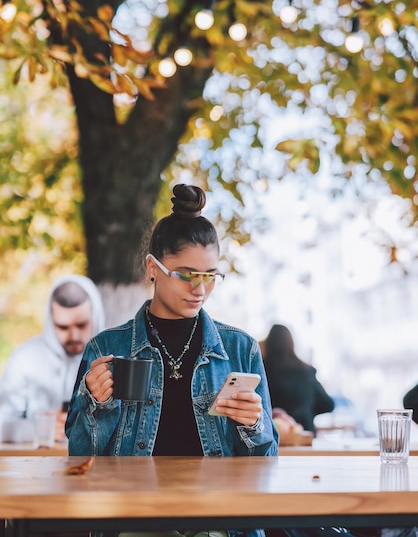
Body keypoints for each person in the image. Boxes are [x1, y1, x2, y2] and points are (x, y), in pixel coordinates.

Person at [66, 183, 278, 537]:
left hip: (219, 521)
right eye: (186, 275)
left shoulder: (240, 349)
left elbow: (265, 467)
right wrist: (97, 405)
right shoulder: (106, 347)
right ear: (152, 268)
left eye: (210, 276)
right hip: (135, 518)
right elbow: (79, 460)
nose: (200, 289)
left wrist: (254, 425)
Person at [0, 274, 105, 441]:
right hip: (36, 464)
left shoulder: (115, 354)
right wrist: (41, 429)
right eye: (63, 327)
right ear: (50, 321)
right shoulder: (24, 358)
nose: (74, 335)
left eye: (81, 325)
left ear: (96, 316)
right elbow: (3, 423)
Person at [262, 324, 334, 434]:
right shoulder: (306, 371)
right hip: (303, 433)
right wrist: (306, 411)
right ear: (291, 343)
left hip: (272, 435)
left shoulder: (262, 370)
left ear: (268, 344)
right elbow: (328, 404)